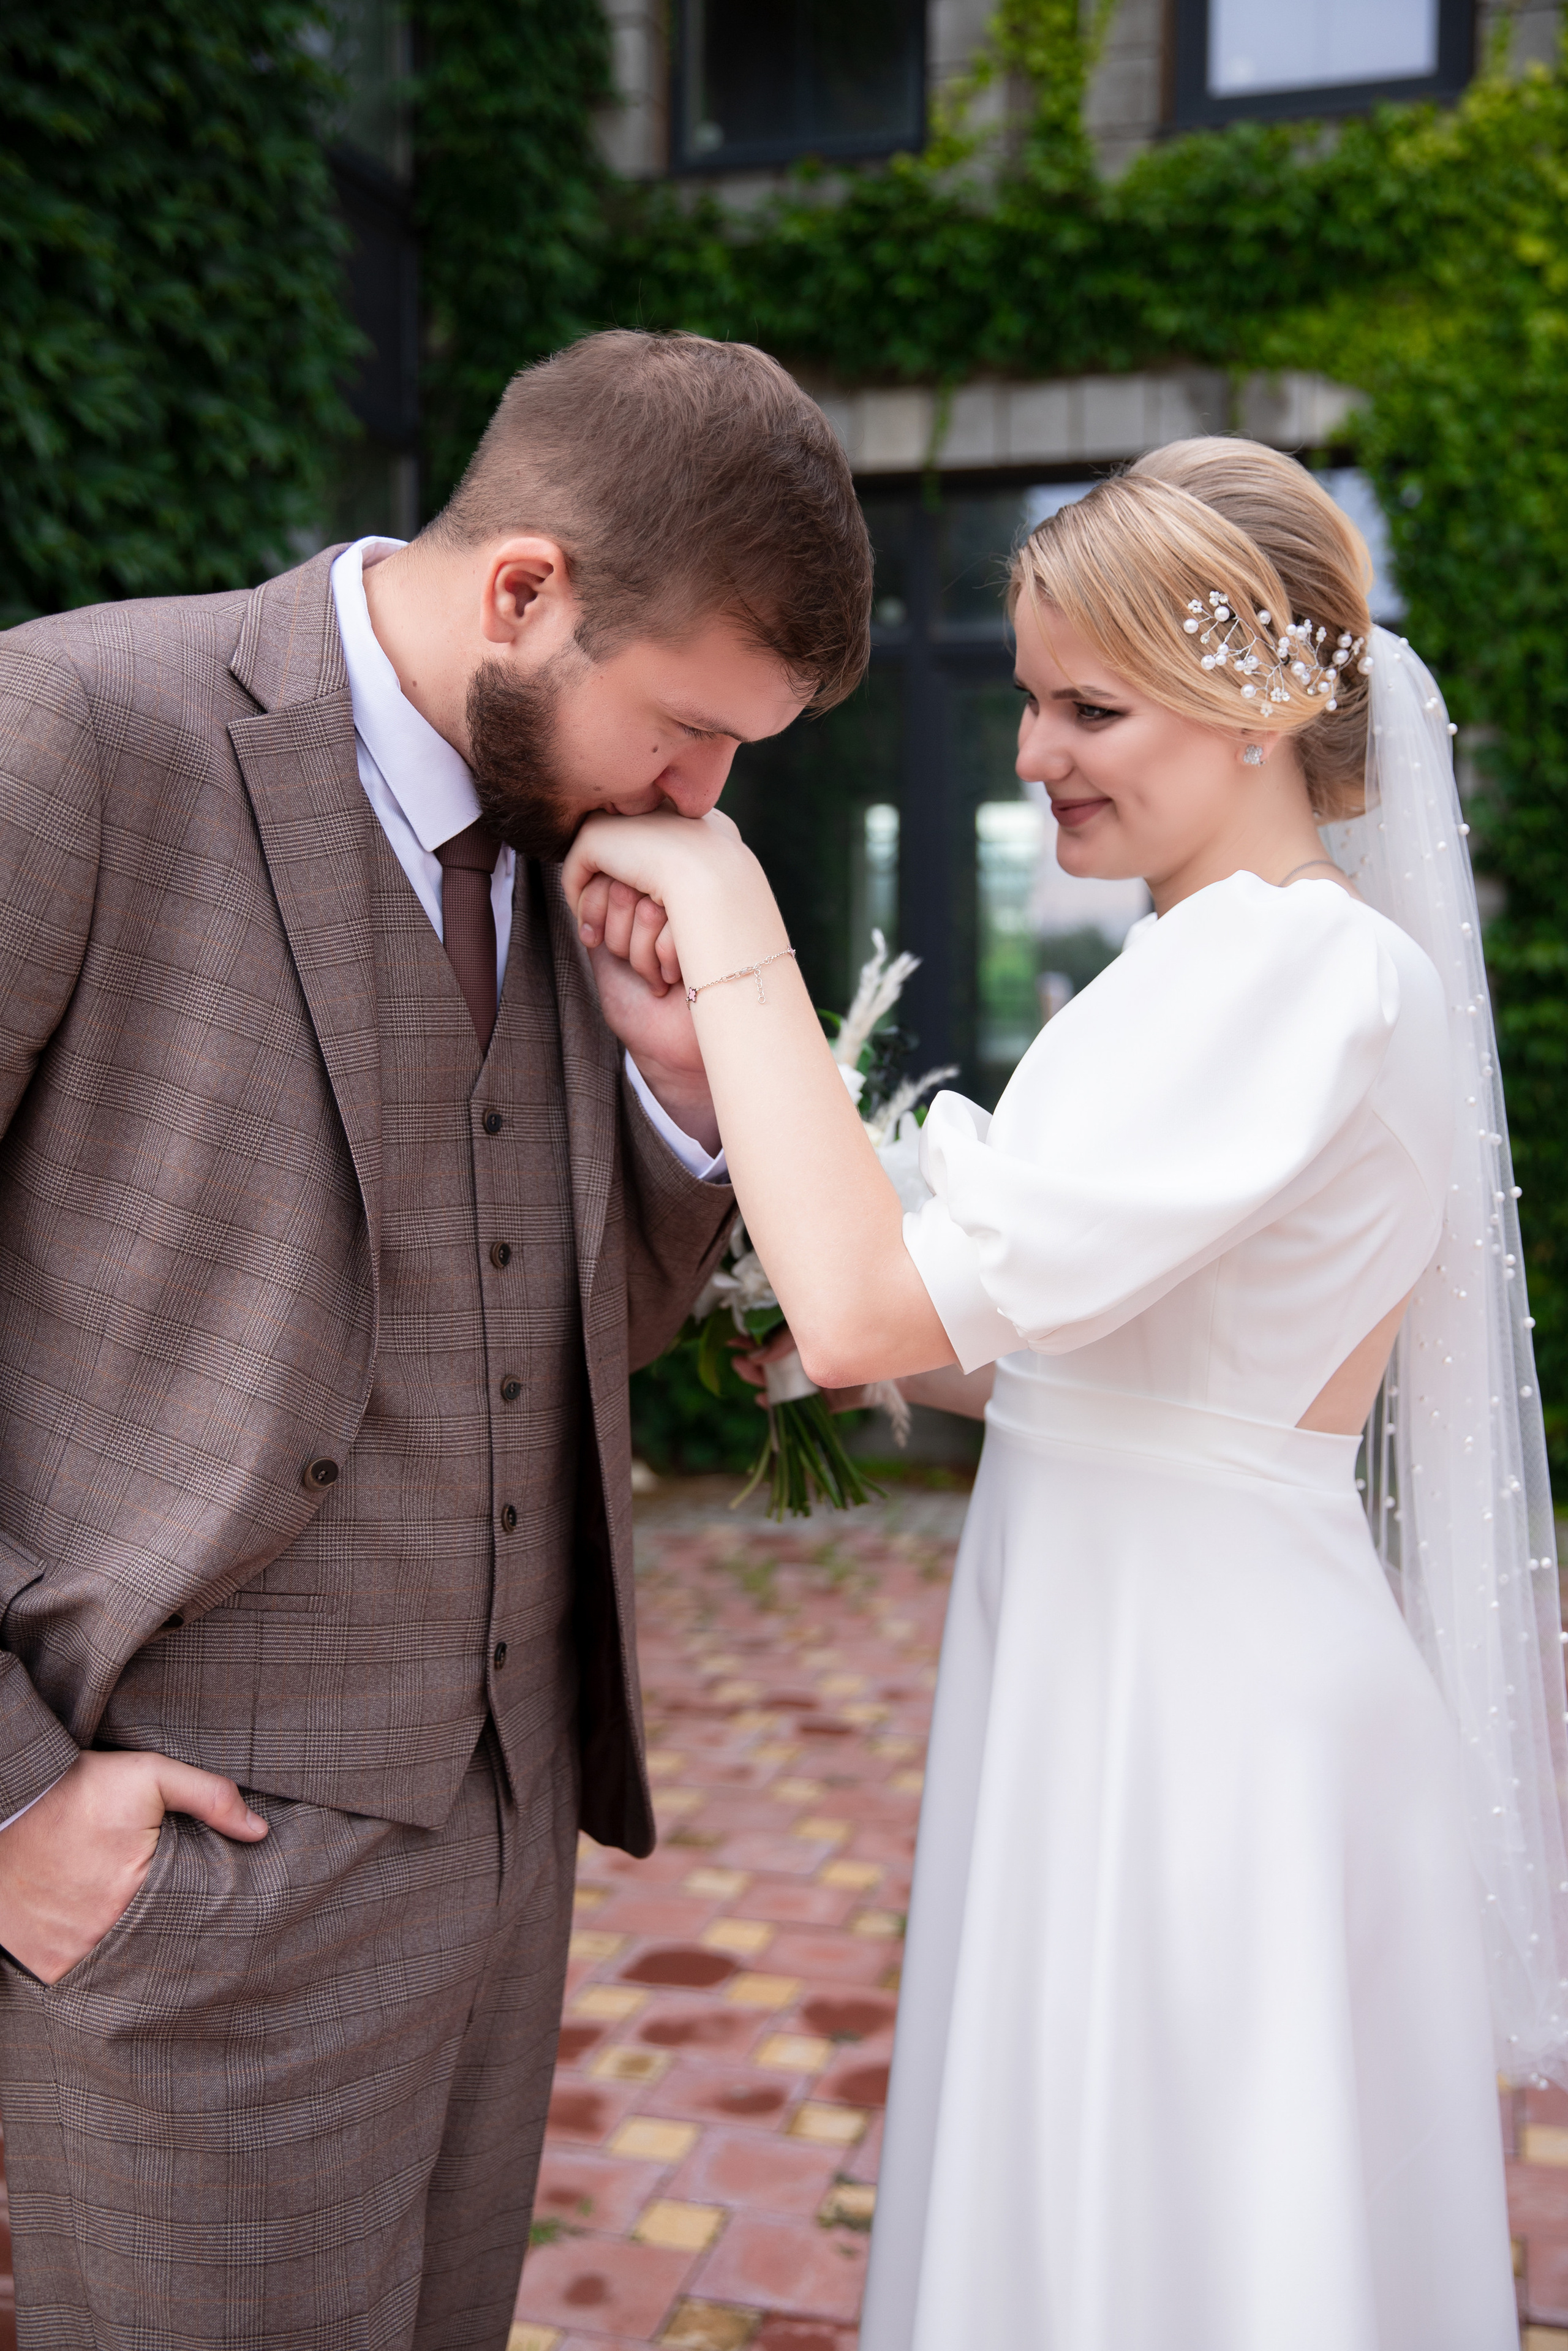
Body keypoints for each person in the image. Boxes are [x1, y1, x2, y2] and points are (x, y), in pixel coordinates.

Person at [568, 437, 1568, 2349]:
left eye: (1089, 706)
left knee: (1183, 2210)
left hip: (1198, 1693)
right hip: (1127, 1635)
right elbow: (1096, 1368)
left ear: (1267, 698)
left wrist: (725, 913)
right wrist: (805, 1304)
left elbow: (886, 1300)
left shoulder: (1292, 971)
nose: (1035, 757)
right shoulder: (1201, 973)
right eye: (1031, 701)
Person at [0, 329, 871, 2347]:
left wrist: (672, 1093)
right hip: (173, 1883)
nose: (703, 802)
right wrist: (18, 1800)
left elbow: (559, 1335)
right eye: (687, 730)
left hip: (496, 1864)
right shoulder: (77, 730)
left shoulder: (575, 840)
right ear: (524, 590)